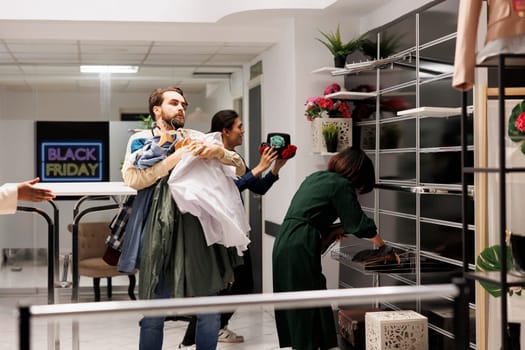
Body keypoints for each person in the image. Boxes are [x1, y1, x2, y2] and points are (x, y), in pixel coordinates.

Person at [120, 87, 247, 350]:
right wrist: (174, 158)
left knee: (209, 308)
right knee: (154, 312)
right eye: (174, 103)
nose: (181, 108)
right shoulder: (140, 141)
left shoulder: (196, 138)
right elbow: (133, 179)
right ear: (157, 109)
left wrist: (217, 153)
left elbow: (240, 166)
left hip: (198, 230)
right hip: (156, 230)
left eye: (184, 105)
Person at [179, 109, 289, 347]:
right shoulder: (210, 154)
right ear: (225, 131)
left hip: (234, 231)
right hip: (216, 232)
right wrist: (259, 168)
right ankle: (196, 337)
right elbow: (229, 188)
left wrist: (276, 168)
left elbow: (257, 188)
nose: (243, 132)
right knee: (218, 287)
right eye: (239, 127)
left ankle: (212, 327)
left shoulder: (233, 156)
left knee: (241, 283)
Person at [272, 147, 391, 350]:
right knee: (308, 300)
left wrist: (336, 229)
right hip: (300, 242)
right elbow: (358, 223)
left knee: (302, 298)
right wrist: (382, 246)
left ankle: (312, 344)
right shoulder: (341, 184)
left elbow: (312, 215)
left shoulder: (316, 177)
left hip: (286, 238)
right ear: (357, 172)